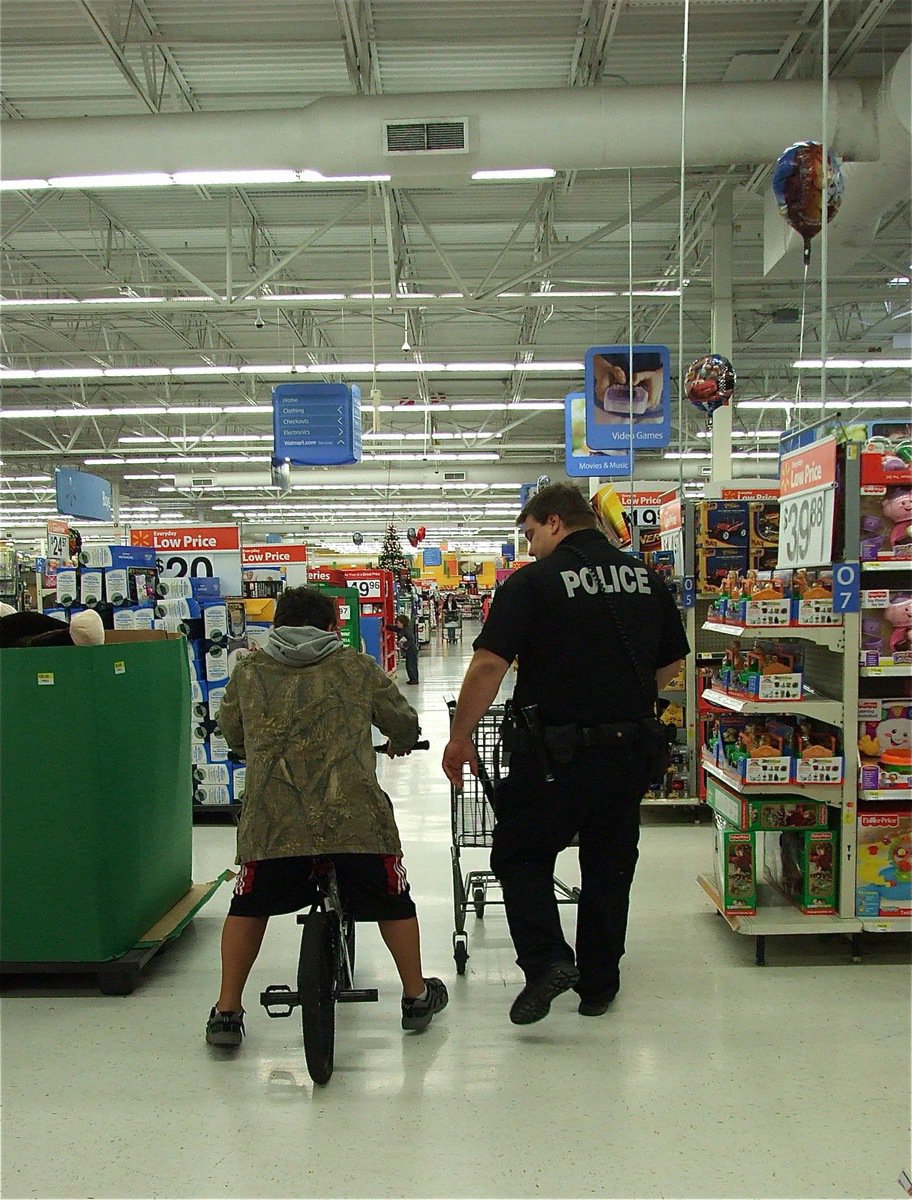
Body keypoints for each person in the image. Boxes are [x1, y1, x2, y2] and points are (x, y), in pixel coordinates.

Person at [442, 484, 689, 1026]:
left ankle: (549, 959)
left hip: (552, 756)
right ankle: (599, 985)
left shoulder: (531, 584)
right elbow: (671, 665)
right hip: (628, 753)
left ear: (554, 522)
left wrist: (461, 736)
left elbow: (488, 667)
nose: (529, 548)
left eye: (530, 534)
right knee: (609, 863)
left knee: (520, 853)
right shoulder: (647, 579)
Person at [207, 586, 447, 1048]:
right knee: (393, 898)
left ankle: (227, 1011)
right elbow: (402, 722)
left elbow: (232, 732)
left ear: (276, 624)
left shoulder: (249, 671)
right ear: (334, 625)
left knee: (249, 904)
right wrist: (399, 740)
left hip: (273, 823)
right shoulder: (357, 667)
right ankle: (416, 996)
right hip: (354, 820)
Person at [394, 613, 420, 685]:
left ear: (402, 623)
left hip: (411, 650)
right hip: (409, 650)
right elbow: (394, 628)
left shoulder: (407, 630)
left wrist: (404, 645)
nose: (397, 624)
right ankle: (412, 678)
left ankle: (414, 679)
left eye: (398, 623)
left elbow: (411, 640)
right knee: (410, 664)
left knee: (411, 665)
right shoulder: (402, 629)